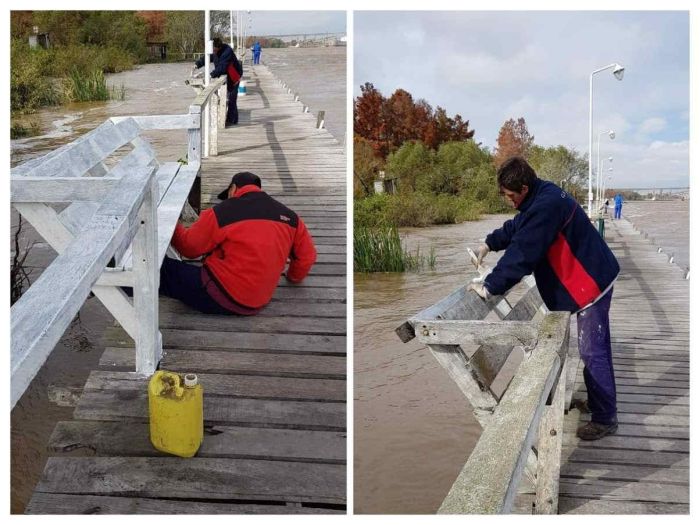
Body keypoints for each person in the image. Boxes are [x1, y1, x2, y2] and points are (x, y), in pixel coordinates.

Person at [468, 157, 620, 440]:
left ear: (524, 188)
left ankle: (605, 417)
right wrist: (487, 244)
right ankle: (600, 402)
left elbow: (523, 254)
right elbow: (517, 227)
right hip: (596, 274)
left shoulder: (545, 207)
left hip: (591, 285)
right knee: (595, 349)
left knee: (592, 351)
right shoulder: (542, 194)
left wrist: (489, 286)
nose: (511, 202)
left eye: (512, 196)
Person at [159, 172, 317, 315]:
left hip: (223, 294)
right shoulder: (291, 218)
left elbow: (189, 248)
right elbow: (306, 258)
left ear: (233, 189)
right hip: (259, 299)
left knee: (159, 269)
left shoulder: (222, 212)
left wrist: (170, 222)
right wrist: (293, 277)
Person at [195, 37, 243, 126]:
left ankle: (231, 121)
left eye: (214, 50)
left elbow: (222, 67)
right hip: (226, 76)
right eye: (212, 50)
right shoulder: (214, 52)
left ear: (219, 47)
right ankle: (232, 119)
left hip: (234, 77)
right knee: (228, 98)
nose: (213, 52)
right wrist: (197, 64)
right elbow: (207, 58)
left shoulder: (227, 51)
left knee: (232, 98)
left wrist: (210, 75)